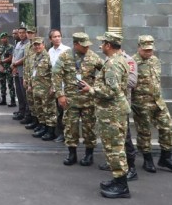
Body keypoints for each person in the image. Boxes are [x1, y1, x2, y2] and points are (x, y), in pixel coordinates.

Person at [79, 31, 131, 199]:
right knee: (113, 147)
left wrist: (91, 89)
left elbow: (111, 90)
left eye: (103, 43)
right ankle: (117, 179)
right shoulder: (116, 60)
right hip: (112, 111)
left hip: (112, 113)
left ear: (109, 45)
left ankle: (122, 186)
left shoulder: (113, 64)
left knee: (115, 149)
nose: (100, 46)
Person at [132, 35, 172, 174]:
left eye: (150, 50)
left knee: (168, 128)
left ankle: (165, 158)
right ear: (139, 48)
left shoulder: (155, 61)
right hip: (141, 104)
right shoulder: (132, 62)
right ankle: (147, 160)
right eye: (146, 50)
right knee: (144, 132)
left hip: (158, 102)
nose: (149, 53)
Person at [53, 32, 102, 166]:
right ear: (75, 44)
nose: (87, 48)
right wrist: (60, 95)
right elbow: (56, 75)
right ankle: (72, 154)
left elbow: (104, 71)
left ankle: (89, 155)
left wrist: (97, 88)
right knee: (70, 127)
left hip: (88, 100)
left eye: (87, 45)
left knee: (89, 128)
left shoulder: (93, 56)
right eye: (83, 45)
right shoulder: (65, 56)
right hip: (70, 100)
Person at [27, 36, 57, 141]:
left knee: (48, 110)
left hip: (46, 89)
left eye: (39, 44)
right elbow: (32, 72)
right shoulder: (35, 57)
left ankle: (51, 131)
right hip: (36, 88)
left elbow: (54, 73)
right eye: (35, 45)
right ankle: (43, 127)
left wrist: (53, 87)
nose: (37, 47)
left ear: (43, 45)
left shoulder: (48, 57)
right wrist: (30, 84)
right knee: (39, 109)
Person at [12, 27, 31, 122]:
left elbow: (26, 57)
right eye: (19, 33)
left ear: (26, 33)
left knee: (25, 95)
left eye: (23, 33)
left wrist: (15, 64)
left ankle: (27, 115)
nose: (21, 34)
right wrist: (13, 65)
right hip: (16, 71)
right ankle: (21, 111)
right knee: (19, 93)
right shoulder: (18, 43)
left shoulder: (29, 44)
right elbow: (14, 55)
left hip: (24, 72)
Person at [0, 32, 16, 106]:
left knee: (10, 84)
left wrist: (1, 61)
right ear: (1, 39)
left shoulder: (11, 47)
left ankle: (13, 101)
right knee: (2, 84)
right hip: (1, 68)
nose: (4, 39)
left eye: (5, 37)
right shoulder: (0, 47)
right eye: (2, 38)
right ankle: (3, 99)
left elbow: (10, 58)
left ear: (7, 38)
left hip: (8, 68)